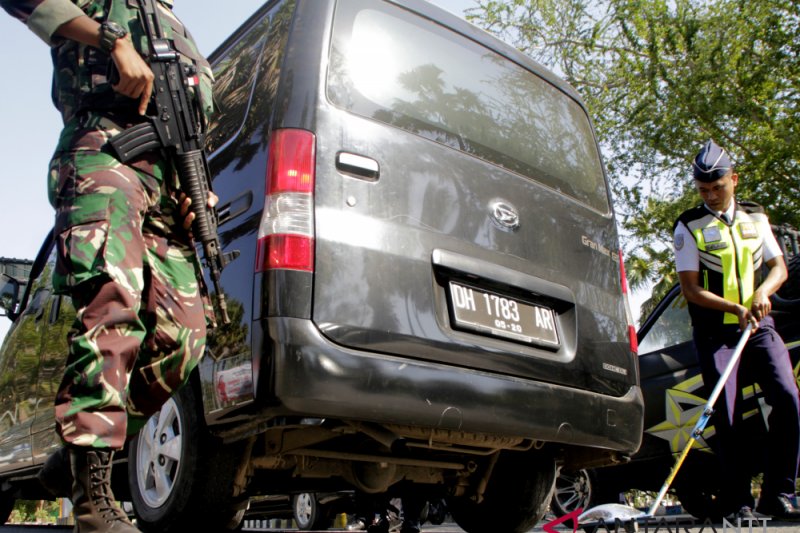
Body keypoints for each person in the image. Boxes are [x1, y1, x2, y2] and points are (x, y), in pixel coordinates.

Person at [0, 1, 215, 531]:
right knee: (112, 309)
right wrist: (112, 40)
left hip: (166, 188)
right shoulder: (109, 5)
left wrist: (197, 194)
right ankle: (94, 500)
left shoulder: (186, 37)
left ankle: (76, 451)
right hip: (106, 156)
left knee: (183, 336)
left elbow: (189, 129)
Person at [673, 139, 800, 521]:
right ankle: (737, 500)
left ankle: (779, 492)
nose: (711, 195)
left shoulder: (755, 218)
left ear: (734, 180)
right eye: (703, 190)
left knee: (788, 399)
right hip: (717, 334)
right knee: (727, 415)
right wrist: (732, 308)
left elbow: (779, 267)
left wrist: (763, 291)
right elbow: (690, 288)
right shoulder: (689, 225)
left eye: (718, 187)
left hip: (760, 329)